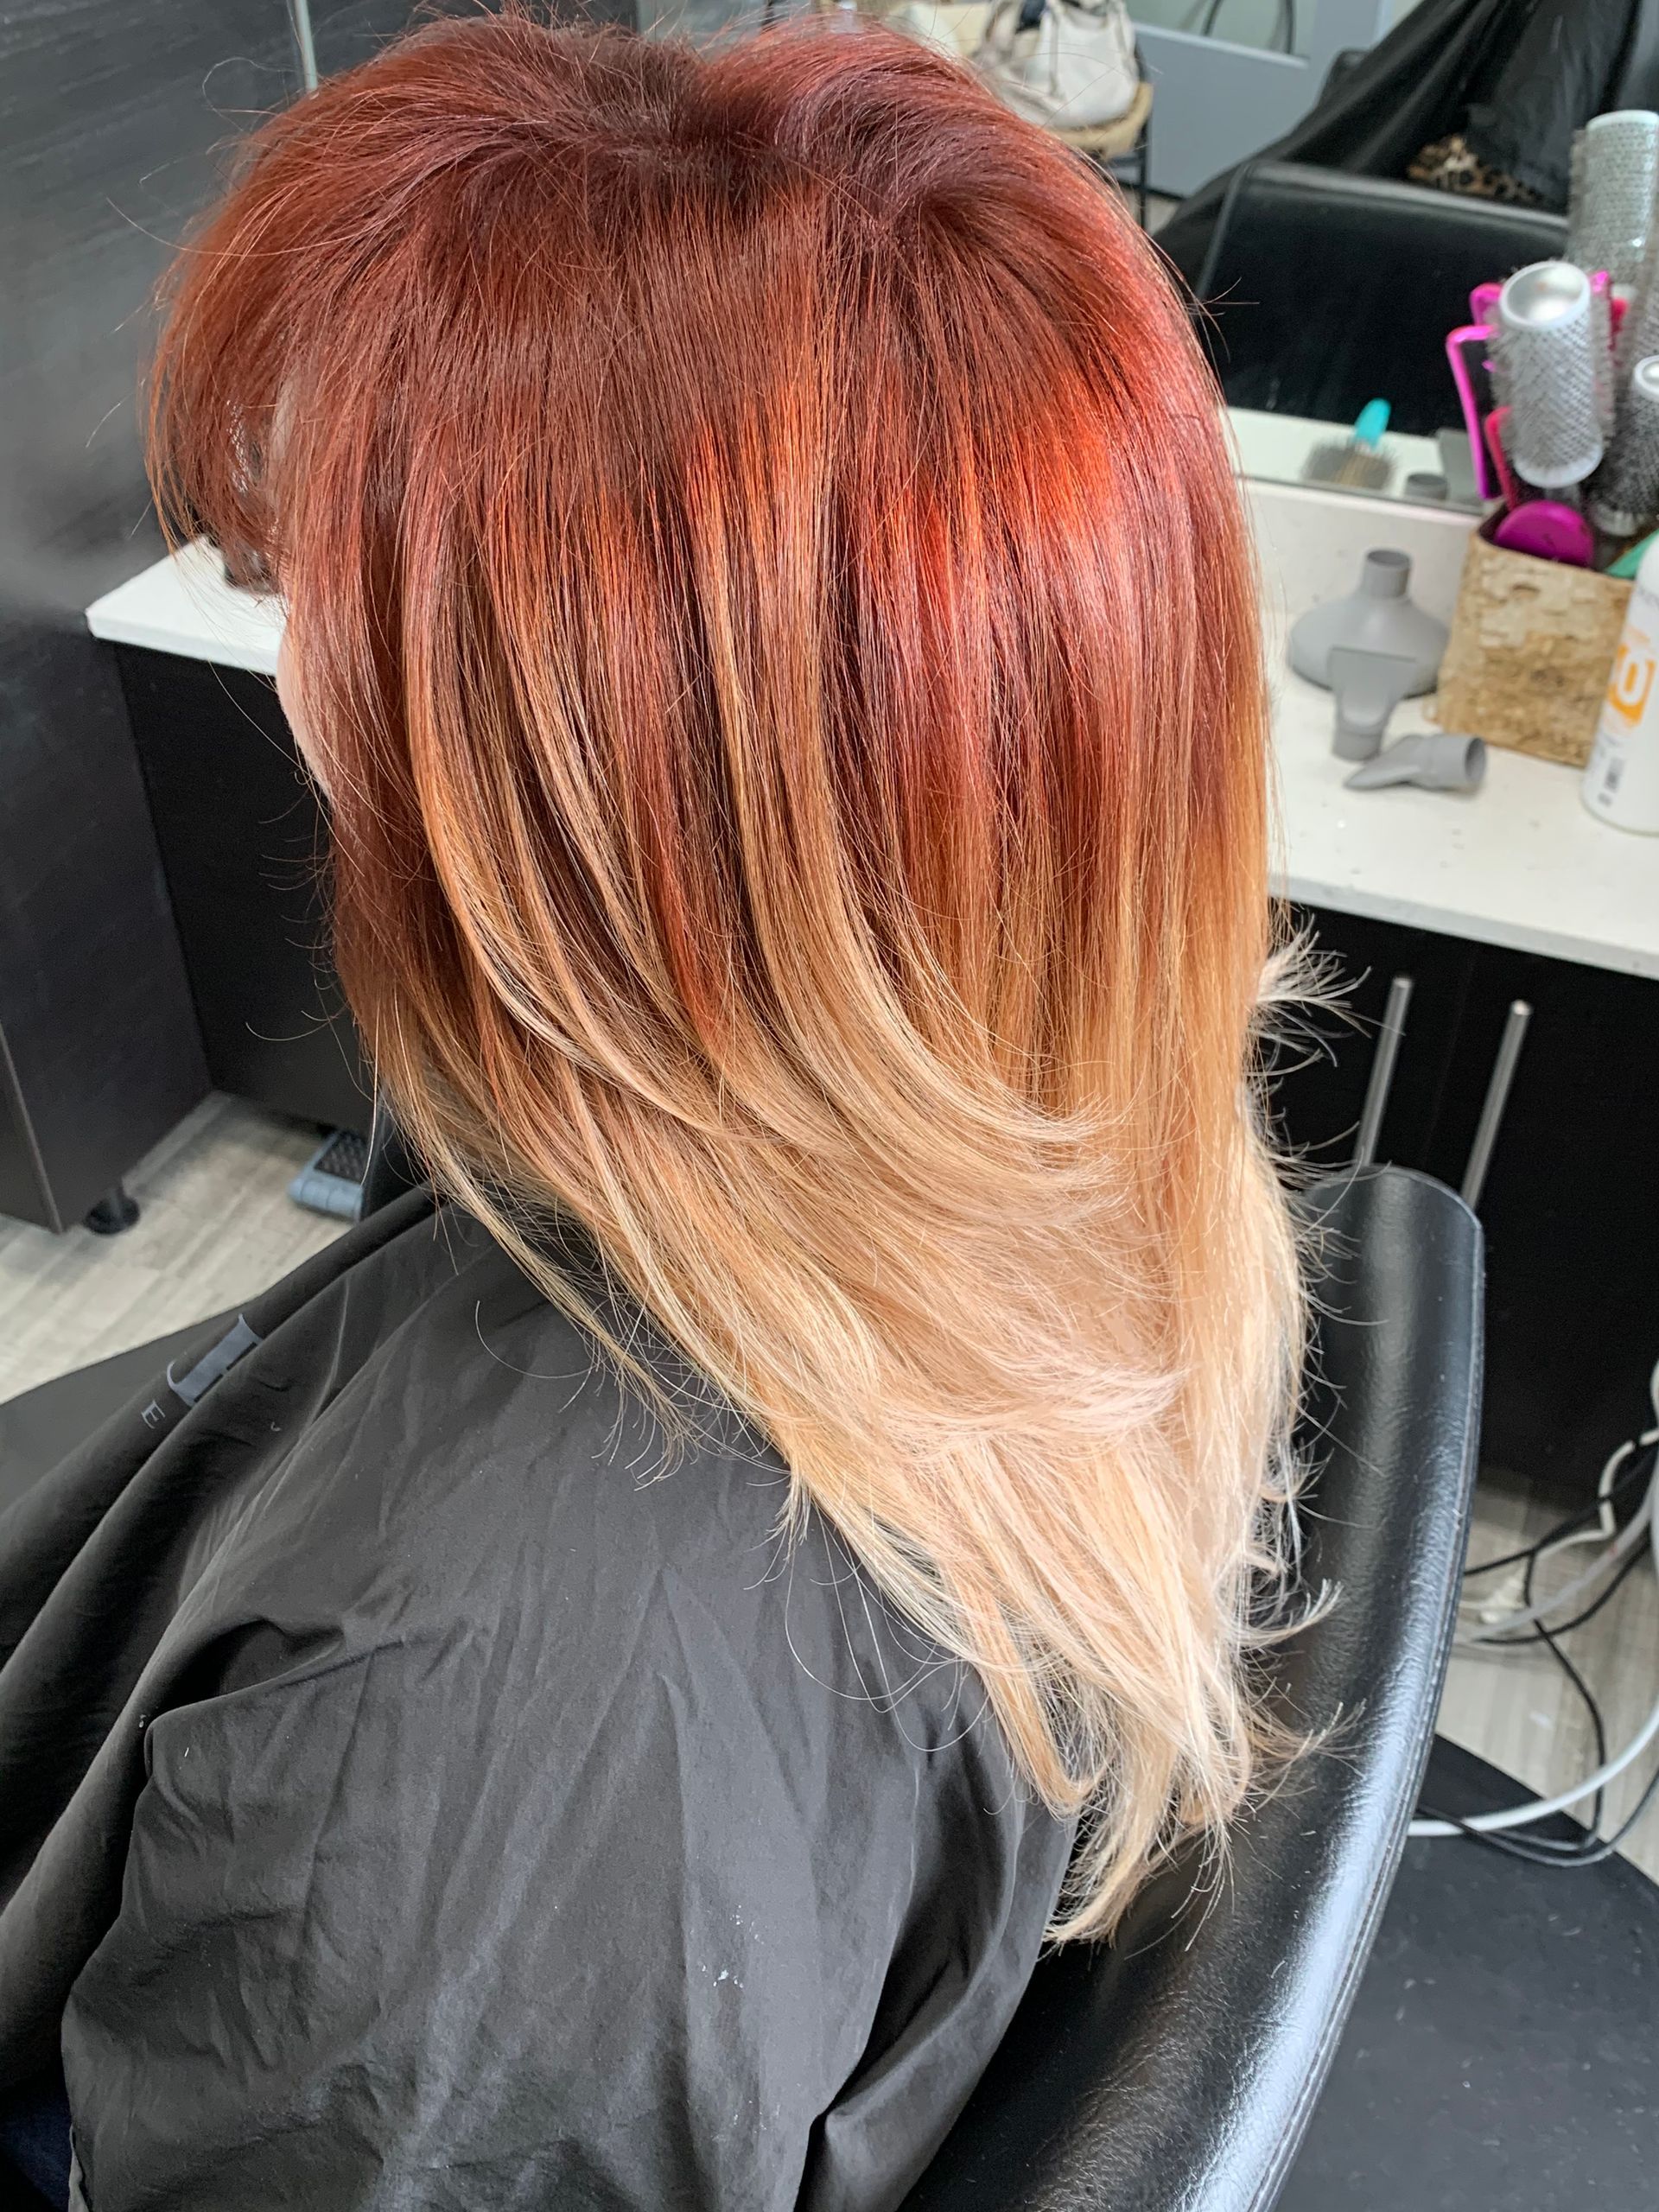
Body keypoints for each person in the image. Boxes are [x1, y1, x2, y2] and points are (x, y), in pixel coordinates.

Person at [0, 14, 1303, 2208]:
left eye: (350, 594)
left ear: (595, 812)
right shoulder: (1090, 1155)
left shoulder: (486, 1771)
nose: (292, 649)